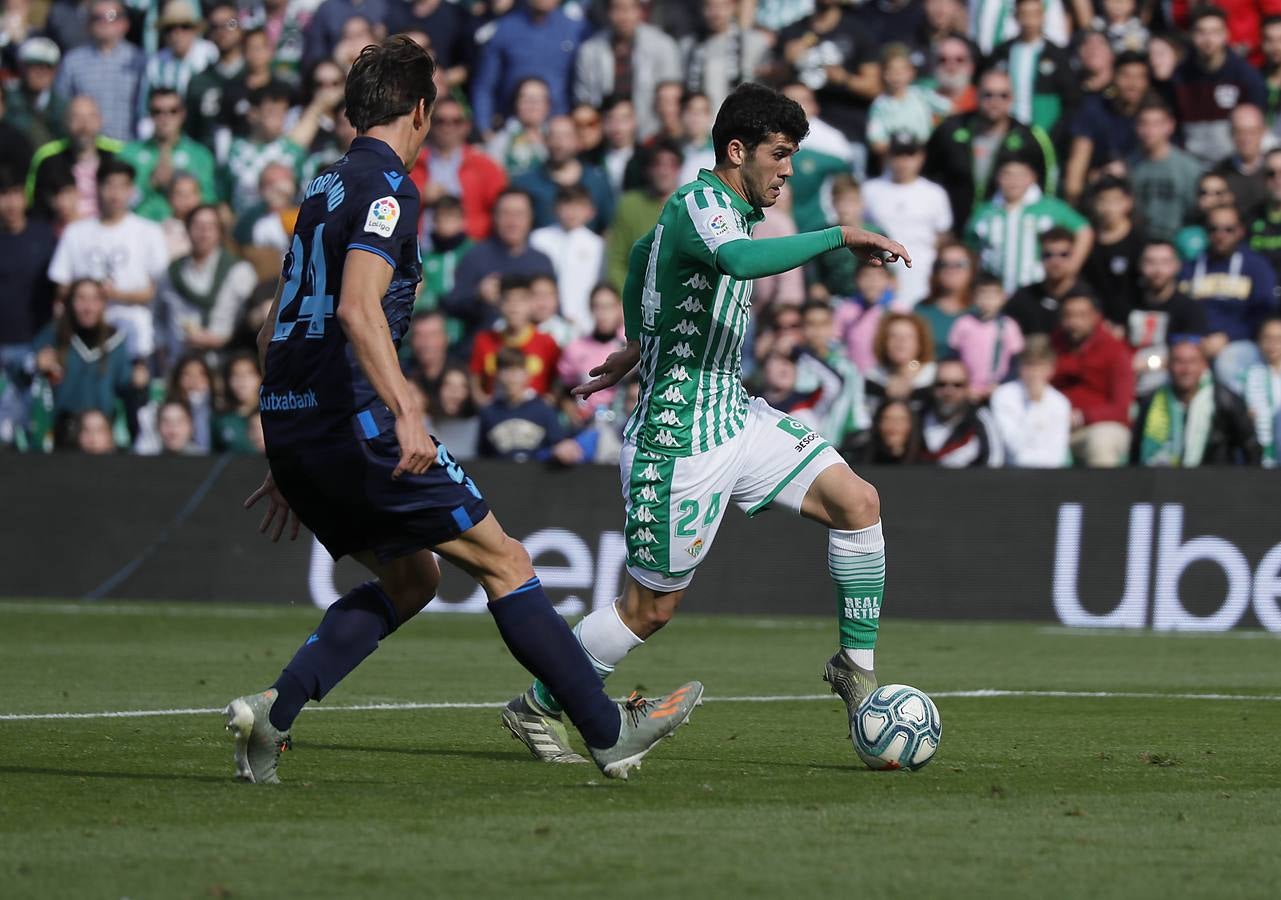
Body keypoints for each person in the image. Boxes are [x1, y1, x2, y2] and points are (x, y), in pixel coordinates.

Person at [228, 37, 701, 786]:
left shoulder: (318, 192)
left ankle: (273, 712)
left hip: (299, 424)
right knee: (505, 561)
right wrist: (407, 413)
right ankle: (610, 731)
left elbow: (270, 327)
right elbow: (355, 306)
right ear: (421, 110)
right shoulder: (389, 190)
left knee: (413, 580)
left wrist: (288, 444)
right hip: (359, 424)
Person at [497, 82, 911, 765]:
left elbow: (640, 262)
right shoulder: (700, 205)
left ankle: (853, 668)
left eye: (794, 156)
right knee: (649, 611)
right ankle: (536, 704)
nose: (788, 170)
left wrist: (637, 340)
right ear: (736, 150)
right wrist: (840, 235)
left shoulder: (720, 209)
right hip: (677, 436)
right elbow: (736, 261)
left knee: (858, 502)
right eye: (779, 155)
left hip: (732, 411)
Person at [46, 159, 169, 360]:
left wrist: (116, 294)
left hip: (135, 334)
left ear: (131, 190)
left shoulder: (149, 231)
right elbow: (60, 285)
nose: (115, 194)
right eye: (109, 185)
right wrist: (91, 294)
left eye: (122, 186)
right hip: (83, 336)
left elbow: (158, 289)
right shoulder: (76, 232)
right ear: (98, 188)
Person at [925, 68, 1057, 230]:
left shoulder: (1029, 137)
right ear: (976, 94)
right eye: (988, 94)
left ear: (1012, 98)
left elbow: (1047, 183)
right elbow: (927, 176)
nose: (995, 101)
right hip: (952, 230)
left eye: (1003, 95)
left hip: (1006, 229)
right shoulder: (950, 129)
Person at [1180, 204, 1280, 389]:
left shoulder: (1256, 266)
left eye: (1228, 229)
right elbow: (1179, 309)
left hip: (1241, 342)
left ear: (1240, 231)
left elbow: (1264, 312)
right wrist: (1193, 340)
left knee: (1228, 363)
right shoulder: (1191, 265)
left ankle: (1246, 417)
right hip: (1195, 342)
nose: (1220, 235)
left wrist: (1228, 337)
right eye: (1214, 229)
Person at [442, 188, 556, 344]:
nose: (512, 221)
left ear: (531, 218)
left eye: (519, 214)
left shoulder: (541, 261)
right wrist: (478, 295)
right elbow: (451, 304)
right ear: (495, 217)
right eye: (505, 214)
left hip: (531, 352)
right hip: (484, 348)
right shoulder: (475, 256)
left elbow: (554, 310)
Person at [966, 158, 1092, 294]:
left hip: (1037, 291)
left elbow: (1084, 231)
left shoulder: (1051, 208)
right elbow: (970, 248)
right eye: (1007, 175)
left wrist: (1071, 268)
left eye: (1020, 175)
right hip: (994, 294)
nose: (1013, 181)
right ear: (998, 178)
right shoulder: (984, 211)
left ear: (1032, 178)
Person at [1133, 338, 1261, 466]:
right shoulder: (1151, 403)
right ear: (1168, 366)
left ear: (1203, 365)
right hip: (1162, 480)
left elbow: (1250, 446)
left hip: (1215, 481)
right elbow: (1136, 451)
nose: (1186, 369)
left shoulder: (1226, 400)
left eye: (1192, 362)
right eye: (1179, 362)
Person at [156, 204, 257, 365]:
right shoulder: (171, 272)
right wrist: (162, 347)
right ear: (187, 230)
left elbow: (249, 319)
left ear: (220, 232)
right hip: (179, 363)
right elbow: (158, 316)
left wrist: (223, 339)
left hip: (223, 361)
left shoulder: (239, 271)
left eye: (210, 226)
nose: (203, 232)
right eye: (197, 226)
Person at [470, 0, 586, 136]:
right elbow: (484, 85)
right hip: (510, 129)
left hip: (558, 130)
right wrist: (484, 128)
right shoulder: (504, 29)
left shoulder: (577, 30)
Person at [861, 133, 952, 305]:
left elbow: (942, 239)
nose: (903, 162)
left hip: (922, 275)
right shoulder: (869, 190)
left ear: (921, 157)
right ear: (888, 156)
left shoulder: (935, 193)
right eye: (897, 155)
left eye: (909, 155)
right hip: (880, 278)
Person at [1170, 5, 1267, 164]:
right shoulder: (1180, 77)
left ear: (1226, 34)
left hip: (1234, 165)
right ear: (1191, 35)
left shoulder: (1246, 77)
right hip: (1190, 163)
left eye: (1215, 32)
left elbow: (1258, 126)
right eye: (1201, 32)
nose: (1208, 40)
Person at [575, 0, 682, 140]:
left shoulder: (663, 46)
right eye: (617, 9)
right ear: (608, 12)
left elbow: (672, 99)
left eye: (630, 8)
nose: (624, 16)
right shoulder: (590, 51)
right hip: (605, 136)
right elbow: (584, 100)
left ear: (640, 11)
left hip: (651, 134)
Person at [1050, 291, 1135, 467]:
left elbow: (1121, 408)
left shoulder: (1115, 351)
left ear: (1096, 317)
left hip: (1100, 426)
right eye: (1068, 315)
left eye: (1082, 315)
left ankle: (1102, 495)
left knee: (1100, 442)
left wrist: (1082, 417)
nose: (1074, 322)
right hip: (1054, 427)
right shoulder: (1052, 348)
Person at [986, 0, 1079, 144]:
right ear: (1016, 16)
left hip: (1044, 137)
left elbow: (1071, 100)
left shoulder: (1057, 55)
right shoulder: (1002, 53)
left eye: (1034, 14)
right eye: (1024, 14)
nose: (1029, 21)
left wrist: (1055, 134)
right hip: (1005, 137)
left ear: (1043, 16)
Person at [119, 88, 218, 222]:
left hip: (185, 232)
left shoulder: (200, 156)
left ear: (183, 114)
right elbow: (118, 202)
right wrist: (150, 184)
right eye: (157, 112)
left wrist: (182, 194)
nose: (165, 118)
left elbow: (208, 201)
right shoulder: (129, 153)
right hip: (140, 231)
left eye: (173, 111)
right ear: (149, 115)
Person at [416, 97, 507, 242]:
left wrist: (468, 231)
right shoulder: (412, 163)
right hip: (421, 251)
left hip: (469, 252)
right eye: (441, 121)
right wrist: (419, 196)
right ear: (430, 124)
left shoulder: (485, 166)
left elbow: (502, 212)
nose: (448, 127)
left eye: (456, 121)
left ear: (467, 126)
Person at [52, 0, 143, 142]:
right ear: (88, 24)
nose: (104, 21)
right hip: (88, 149)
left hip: (129, 149)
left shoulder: (139, 61)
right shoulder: (72, 62)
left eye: (111, 16)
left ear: (125, 23)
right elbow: (61, 107)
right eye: (97, 17)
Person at [1130, 240, 1209, 396]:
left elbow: (1190, 355)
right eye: (1150, 262)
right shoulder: (1127, 302)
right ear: (1140, 265)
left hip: (1168, 382)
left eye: (1165, 262)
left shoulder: (1189, 308)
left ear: (1177, 266)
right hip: (1128, 377)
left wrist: (1149, 364)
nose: (1158, 270)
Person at [468, 274, 561, 403]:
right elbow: (475, 380)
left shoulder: (547, 342)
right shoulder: (484, 341)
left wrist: (548, 403)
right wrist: (484, 405)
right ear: (499, 304)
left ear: (531, 304)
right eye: (508, 300)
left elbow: (559, 380)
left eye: (521, 300)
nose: (514, 307)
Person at [513, 115, 614, 233]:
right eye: (553, 136)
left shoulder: (597, 181)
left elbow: (609, 228)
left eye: (566, 136)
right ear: (544, 141)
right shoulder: (526, 183)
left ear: (578, 141)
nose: (559, 144)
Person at [530, 185, 605, 334]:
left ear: (590, 211)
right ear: (555, 208)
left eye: (578, 206)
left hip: (584, 323)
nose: (571, 212)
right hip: (543, 324)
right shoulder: (538, 239)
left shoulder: (597, 245)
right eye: (566, 205)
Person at [1128, 99, 1204, 243]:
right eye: (1144, 123)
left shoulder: (1189, 168)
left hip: (1179, 243)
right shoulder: (1129, 166)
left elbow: (1196, 212)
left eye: (1156, 124)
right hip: (1141, 243)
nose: (1149, 131)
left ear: (1170, 126)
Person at [989, 336, 1070, 467]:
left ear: (1051, 369)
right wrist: (1034, 403)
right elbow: (1014, 448)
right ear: (1020, 366)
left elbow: (1057, 454)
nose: (1034, 373)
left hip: (1051, 475)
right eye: (1029, 365)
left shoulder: (1060, 403)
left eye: (1040, 366)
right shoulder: (1003, 396)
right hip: (1013, 473)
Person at [477, 346, 565, 461]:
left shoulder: (544, 410)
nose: (511, 378)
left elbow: (558, 447)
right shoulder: (488, 413)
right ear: (497, 375)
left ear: (527, 375)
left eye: (515, 371)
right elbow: (482, 456)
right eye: (505, 371)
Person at [682, 0, 770, 112]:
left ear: (733, 7)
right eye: (710, 6)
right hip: (702, 123)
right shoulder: (689, 46)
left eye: (722, 6)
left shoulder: (754, 43)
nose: (716, 13)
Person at [948, 273, 1023, 401]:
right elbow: (954, 356)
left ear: (1003, 297)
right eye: (982, 294)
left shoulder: (1009, 326)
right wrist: (964, 385)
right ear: (973, 297)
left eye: (993, 295)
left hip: (998, 391)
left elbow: (1016, 362)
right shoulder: (964, 323)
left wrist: (1001, 384)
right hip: (968, 391)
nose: (987, 300)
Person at [1081, 175, 1144, 328]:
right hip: (1093, 325)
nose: (1108, 208)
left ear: (1128, 202)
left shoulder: (1140, 242)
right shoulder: (1085, 240)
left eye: (1115, 201)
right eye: (1103, 200)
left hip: (1131, 325)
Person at [917, 357, 1002, 467]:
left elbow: (994, 464)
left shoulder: (981, 419)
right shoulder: (917, 417)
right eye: (941, 384)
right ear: (933, 388)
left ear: (967, 389)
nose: (948, 391)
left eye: (957, 385)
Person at [913, 239, 974, 358]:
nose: (951, 270)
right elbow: (913, 359)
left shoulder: (982, 311)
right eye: (944, 264)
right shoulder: (921, 310)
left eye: (959, 264)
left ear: (972, 269)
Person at [1210, 104, 1269, 222]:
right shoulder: (1218, 173)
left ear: (1263, 131)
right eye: (1239, 131)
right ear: (1230, 133)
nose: (1246, 138)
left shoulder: (1275, 170)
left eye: (1252, 131)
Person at [1242, 317, 1281, 467]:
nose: (1272, 344)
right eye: (1267, 338)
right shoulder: (1248, 376)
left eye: (1278, 339)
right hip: (1260, 454)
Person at [849, 397, 921, 465]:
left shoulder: (926, 461)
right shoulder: (859, 459)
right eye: (887, 419)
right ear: (878, 423)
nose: (894, 426)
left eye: (901, 420)